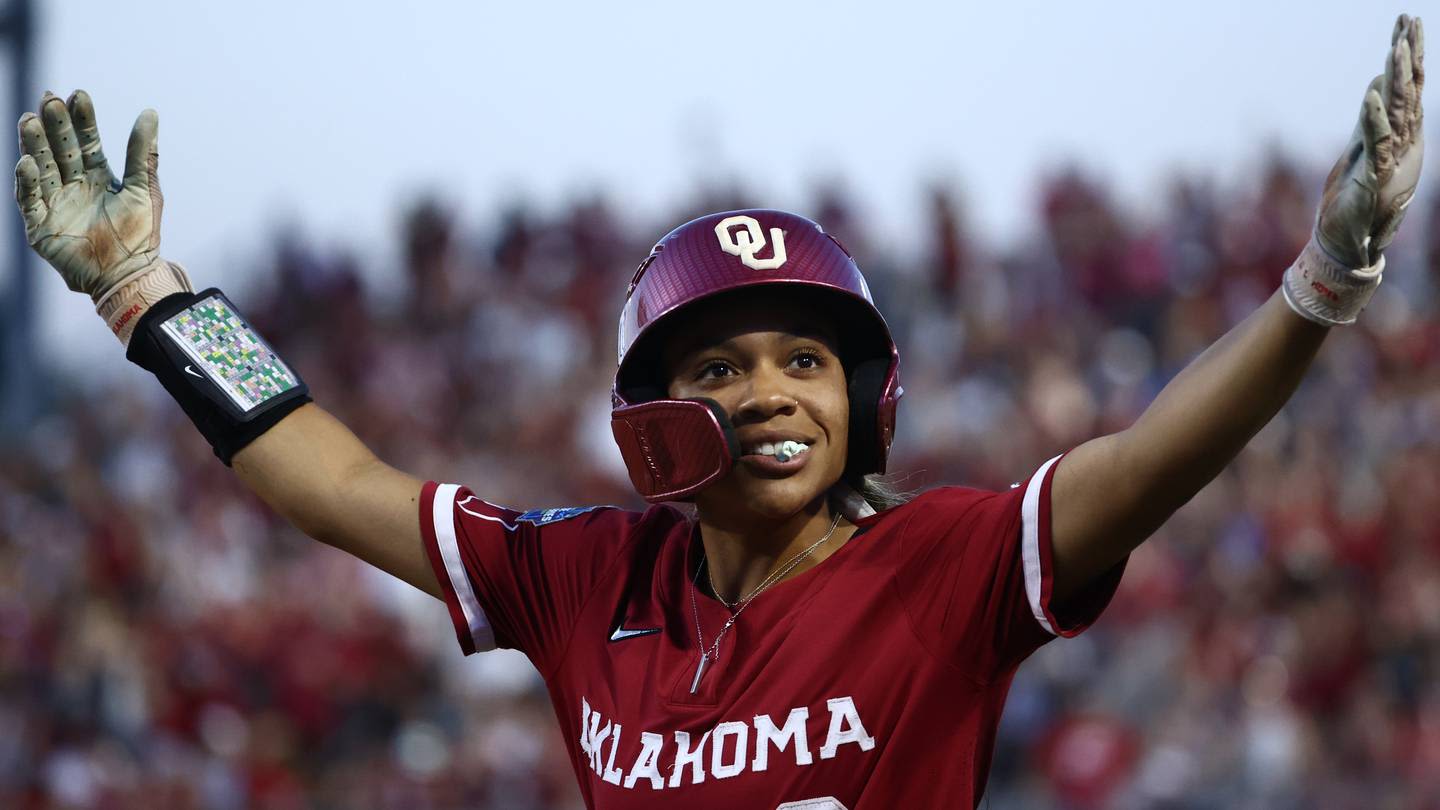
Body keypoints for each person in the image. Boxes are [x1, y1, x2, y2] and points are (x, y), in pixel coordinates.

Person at [12, 15, 1424, 810]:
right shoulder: (583, 577)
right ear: (653, 414)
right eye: (722, 365)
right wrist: (148, 295)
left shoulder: (941, 567)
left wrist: (1321, 279)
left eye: (805, 361)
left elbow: (1151, 460)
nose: (767, 392)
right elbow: (331, 477)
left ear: (866, 399)